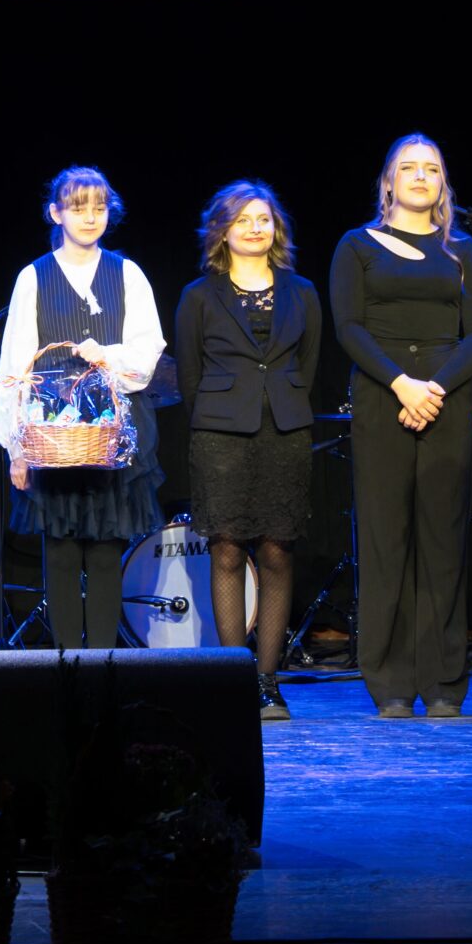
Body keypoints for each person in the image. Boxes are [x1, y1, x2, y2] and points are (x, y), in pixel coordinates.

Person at [329, 135, 472, 718]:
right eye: (409, 168)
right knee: (385, 539)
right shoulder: (356, 245)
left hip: (447, 395)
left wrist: (435, 388)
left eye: (432, 169)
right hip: (383, 396)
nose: (421, 176)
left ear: (443, 183)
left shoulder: (463, 250)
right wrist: (402, 384)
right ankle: (392, 683)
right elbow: (349, 327)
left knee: (443, 540)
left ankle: (443, 681)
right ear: (388, 182)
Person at [0, 167, 167, 652]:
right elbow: (16, 362)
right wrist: (16, 446)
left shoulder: (126, 273)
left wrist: (106, 354)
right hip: (55, 431)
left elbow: (148, 351)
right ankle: (67, 665)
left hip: (112, 430)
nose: (90, 217)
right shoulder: (34, 276)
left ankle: (104, 664)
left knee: (108, 553)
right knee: (62, 552)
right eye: (78, 207)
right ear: (56, 213)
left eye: (99, 207)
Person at [173, 181, 322, 720]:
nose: (255, 228)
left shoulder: (302, 291)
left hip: (285, 434)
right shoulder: (199, 295)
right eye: (243, 220)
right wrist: (222, 415)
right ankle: (236, 678)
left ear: (276, 228)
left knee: (278, 551)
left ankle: (267, 681)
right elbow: (190, 376)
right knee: (229, 551)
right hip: (220, 438)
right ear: (223, 231)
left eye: (263, 219)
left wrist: (279, 405)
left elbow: (308, 364)